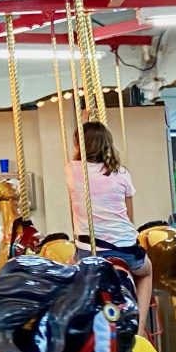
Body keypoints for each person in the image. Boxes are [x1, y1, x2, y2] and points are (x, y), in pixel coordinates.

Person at [66, 121, 153, 334]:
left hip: (90, 250)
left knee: (69, 271)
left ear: (80, 146)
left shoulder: (72, 170)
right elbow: (129, 217)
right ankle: (140, 328)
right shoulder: (121, 173)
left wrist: (81, 119)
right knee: (147, 271)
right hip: (124, 249)